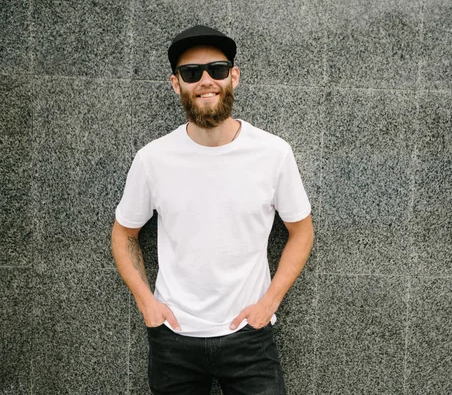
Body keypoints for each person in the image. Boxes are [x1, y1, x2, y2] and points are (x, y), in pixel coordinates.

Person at [111, 25, 314, 395]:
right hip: (174, 339)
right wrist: (148, 305)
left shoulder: (273, 153)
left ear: (233, 76)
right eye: (191, 73)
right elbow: (124, 233)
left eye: (217, 69)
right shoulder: (152, 159)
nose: (206, 81)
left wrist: (268, 304)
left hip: (249, 339)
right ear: (176, 84)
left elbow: (302, 231)